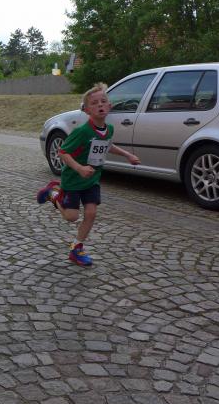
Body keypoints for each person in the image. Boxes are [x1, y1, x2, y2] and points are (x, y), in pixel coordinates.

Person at [36, 82, 141, 266]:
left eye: (103, 101)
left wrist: (128, 155)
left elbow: (108, 145)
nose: (100, 105)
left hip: (92, 180)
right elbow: (63, 152)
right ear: (86, 110)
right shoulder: (82, 132)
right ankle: (52, 194)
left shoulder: (109, 129)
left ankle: (76, 248)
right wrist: (79, 168)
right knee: (72, 217)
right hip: (73, 180)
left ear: (110, 106)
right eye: (94, 103)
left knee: (91, 213)